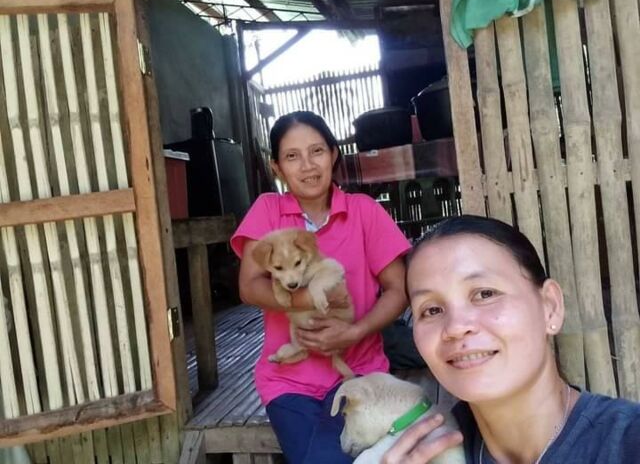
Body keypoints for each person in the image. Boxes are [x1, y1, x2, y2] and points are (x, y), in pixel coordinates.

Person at [383, 215, 640, 464]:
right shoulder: (425, 455)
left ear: (550, 306)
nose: (456, 327)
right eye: (431, 310)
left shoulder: (628, 443)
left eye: (485, 294)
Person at [230, 111, 411, 464]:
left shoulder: (363, 211)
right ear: (277, 167)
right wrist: (308, 298)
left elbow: (398, 290)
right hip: (288, 381)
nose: (307, 166)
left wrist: (354, 332)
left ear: (333, 154)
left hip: (358, 369)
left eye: (316, 151)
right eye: (292, 156)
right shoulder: (267, 211)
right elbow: (249, 287)